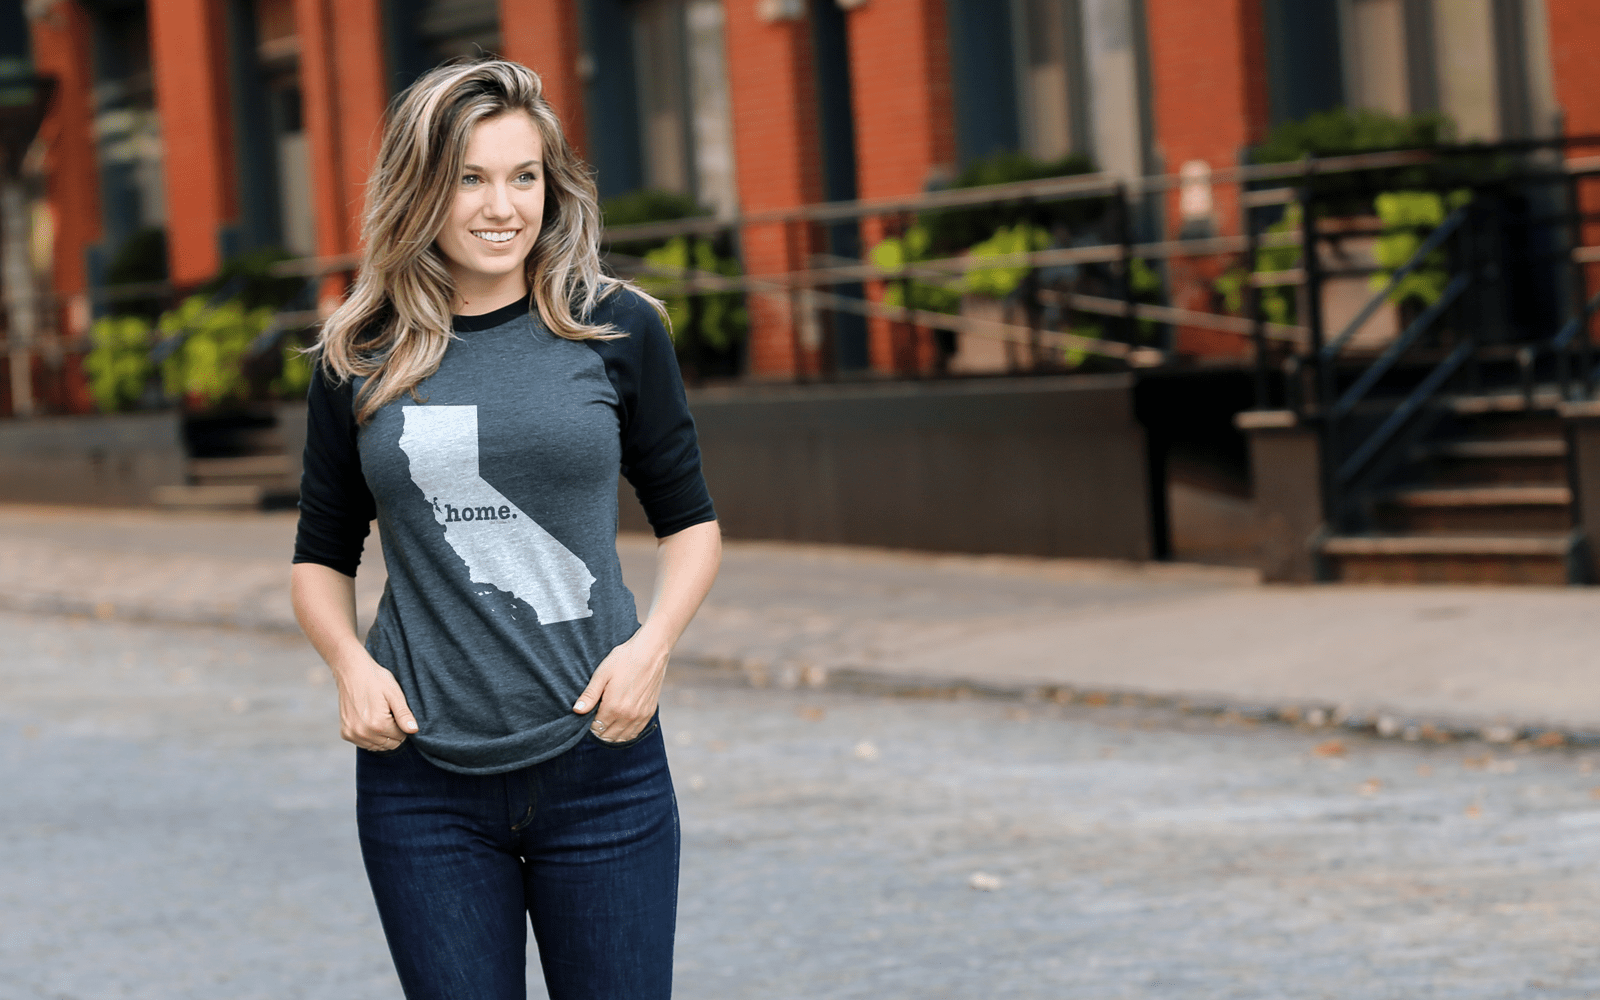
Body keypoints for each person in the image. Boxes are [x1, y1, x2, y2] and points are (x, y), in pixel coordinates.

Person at [289, 58, 721, 1000]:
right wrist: (350, 667)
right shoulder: (358, 352)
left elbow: (691, 524)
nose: (502, 207)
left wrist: (651, 649)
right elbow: (322, 555)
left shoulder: (616, 326)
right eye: (470, 178)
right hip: (422, 783)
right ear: (421, 189)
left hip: (603, 764)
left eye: (523, 176)